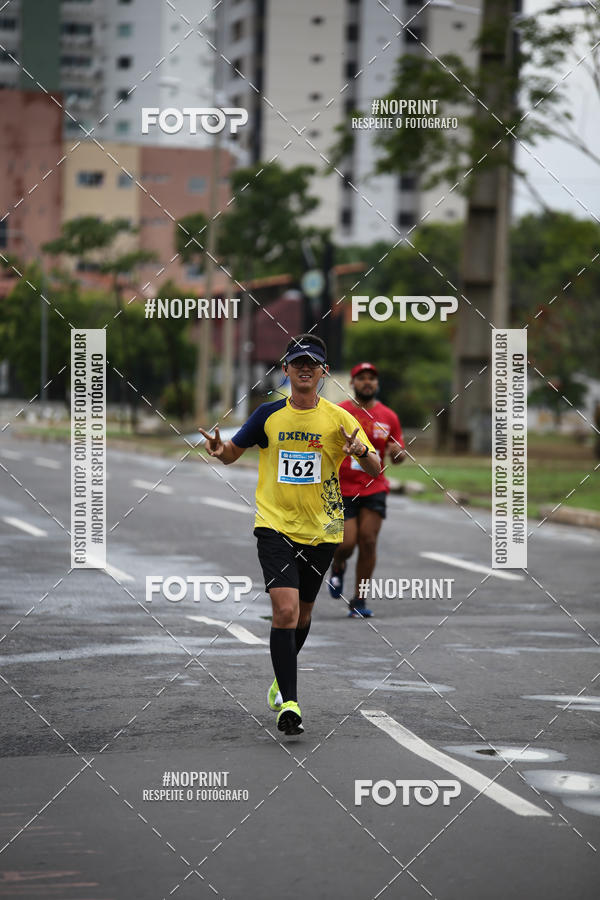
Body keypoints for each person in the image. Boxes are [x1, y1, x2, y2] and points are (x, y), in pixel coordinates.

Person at [199, 335, 380, 736]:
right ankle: (291, 704)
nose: (304, 369)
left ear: (322, 372)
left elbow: (375, 467)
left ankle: (281, 680)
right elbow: (233, 452)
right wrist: (219, 449)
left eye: (311, 364)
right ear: (285, 369)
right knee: (285, 612)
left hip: (323, 530)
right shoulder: (267, 414)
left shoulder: (339, 419)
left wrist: (361, 452)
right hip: (275, 527)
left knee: (304, 615)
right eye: (296, 362)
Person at [328, 362, 405, 617]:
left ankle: (359, 599)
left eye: (372, 378)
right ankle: (338, 565)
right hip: (343, 488)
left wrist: (398, 453)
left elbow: (398, 455)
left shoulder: (388, 416)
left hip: (374, 487)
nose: (367, 382)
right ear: (352, 384)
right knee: (346, 543)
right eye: (361, 378)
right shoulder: (340, 412)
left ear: (377, 384)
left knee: (368, 541)